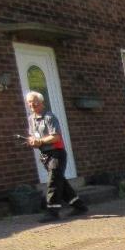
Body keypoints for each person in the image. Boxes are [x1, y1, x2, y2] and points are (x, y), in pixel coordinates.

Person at [26, 91, 88, 222]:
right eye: (29, 102)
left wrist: (41, 141)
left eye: (34, 102)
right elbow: (33, 137)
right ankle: (79, 206)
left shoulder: (49, 117)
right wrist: (32, 141)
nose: (32, 105)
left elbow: (56, 137)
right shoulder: (31, 119)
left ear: (42, 103)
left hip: (57, 154)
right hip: (45, 155)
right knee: (61, 182)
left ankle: (52, 212)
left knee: (53, 182)